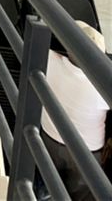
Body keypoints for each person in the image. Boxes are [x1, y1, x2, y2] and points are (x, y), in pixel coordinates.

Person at [40, 21, 108, 201]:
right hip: (86, 150)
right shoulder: (104, 83)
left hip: (48, 135)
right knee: (83, 193)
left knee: (46, 179)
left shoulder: (48, 59)